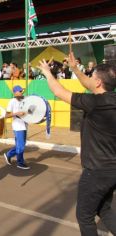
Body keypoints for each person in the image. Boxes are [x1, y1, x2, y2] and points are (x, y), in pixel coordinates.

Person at [38, 52, 116, 236]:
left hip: (96, 171)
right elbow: (88, 84)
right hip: (112, 170)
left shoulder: (95, 103)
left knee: (84, 216)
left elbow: (59, 92)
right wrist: (74, 68)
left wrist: (48, 73)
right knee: (104, 210)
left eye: (92, 76)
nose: (89, 79)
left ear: (98, 82)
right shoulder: (109, 100)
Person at [3, 85, 30, 169]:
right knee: (21, 145)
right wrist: (16, 113)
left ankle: (9, 154)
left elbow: (28, 111)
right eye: (20, 91)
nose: (22, 92)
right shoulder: (12, 101)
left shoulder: (25, 100)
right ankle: (20, 163)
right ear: (15, 93)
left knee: (21, 144)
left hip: (24, 124)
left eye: (22, 91)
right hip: (17, 126)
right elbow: (6, 115)